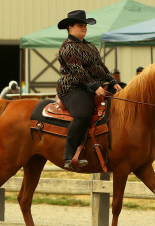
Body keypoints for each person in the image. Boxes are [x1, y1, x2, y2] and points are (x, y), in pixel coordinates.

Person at [56, 10, 122, 169]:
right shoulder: (68, 47)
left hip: (93, 87)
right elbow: (78, 71)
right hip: (73, 88)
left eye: (85, 25)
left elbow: (101, 66)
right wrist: (95, 86)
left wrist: (112, 81)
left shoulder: (89, 45)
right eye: (80, 25)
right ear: (70, 27)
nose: (84, 28)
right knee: (83, 114)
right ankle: (69, 155)